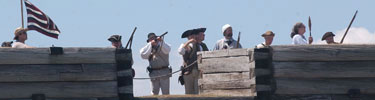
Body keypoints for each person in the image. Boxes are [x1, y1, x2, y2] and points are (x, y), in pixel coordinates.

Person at [178, 28, 208, 94]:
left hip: (198, 71)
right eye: (191, 36)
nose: (193, 37)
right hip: (188, 72)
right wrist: (188, 42)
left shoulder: (200, 45)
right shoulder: (186, 45)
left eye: (193, 35)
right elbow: (180, 51)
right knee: (189, 92)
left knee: (197, 92)